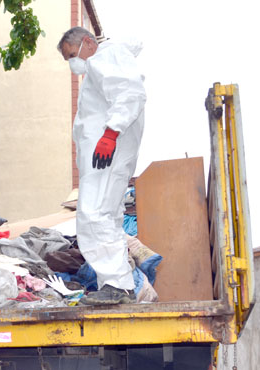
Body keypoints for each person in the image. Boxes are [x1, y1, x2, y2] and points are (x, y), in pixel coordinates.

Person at [57, 26, 146, 305]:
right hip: (106, 153)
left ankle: (117, 287)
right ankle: (117, 284)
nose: (73, 63)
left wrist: (110, 133)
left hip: (106, 152)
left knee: (93, 215)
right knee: (106, 216)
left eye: (72, 54)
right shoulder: (106, 61)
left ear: (87, 42)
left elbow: (130, 93)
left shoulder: (103, 58)